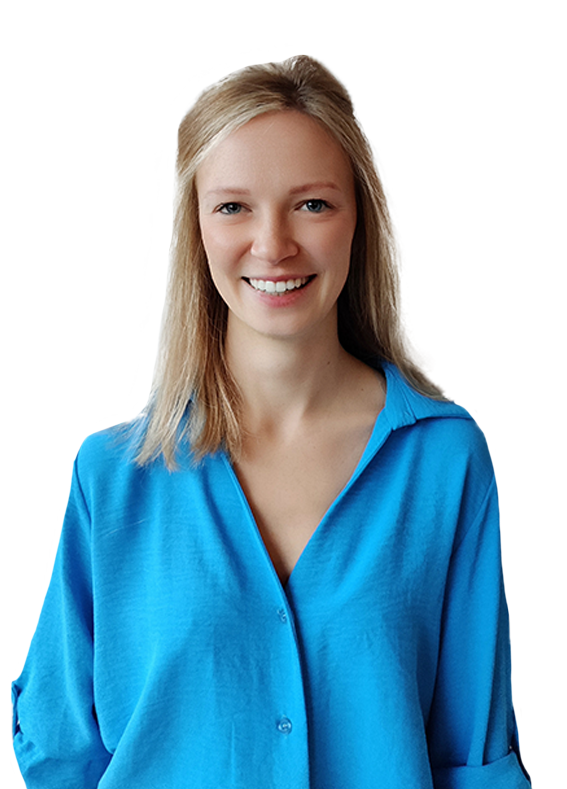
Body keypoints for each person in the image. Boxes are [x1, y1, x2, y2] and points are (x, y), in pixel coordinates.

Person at [9, 52, 532, 788]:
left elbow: (473, 759)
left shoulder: (445, 461)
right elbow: (60, 751)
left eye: (312, 204)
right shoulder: (114, 476)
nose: (273, 245)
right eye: (233, 207)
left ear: (358, 219)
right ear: (195, 227)